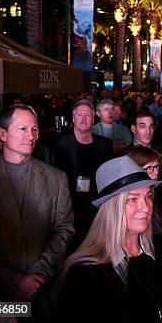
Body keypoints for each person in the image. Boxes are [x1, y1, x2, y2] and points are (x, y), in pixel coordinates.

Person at [56, 156, 162, 322]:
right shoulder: (85, 273)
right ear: (112, 207)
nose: (145, 207)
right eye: (133, 199)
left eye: (148, 196)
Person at [0, 106, 74, 316]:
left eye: (34, 129)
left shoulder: (56, 178)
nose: (30, 136)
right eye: (22, 129)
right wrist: (14, 281)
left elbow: (64, 230)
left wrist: (39, 275)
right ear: (2, 134)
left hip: (43, 293)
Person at [54, 100, 114, 246]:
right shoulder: (60, 144)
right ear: (73, 119)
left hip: (96, 206)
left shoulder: (105, 145)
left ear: (93, 119)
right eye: (80, 115)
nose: (83, 119)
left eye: (88, 115)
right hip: (70, 206)